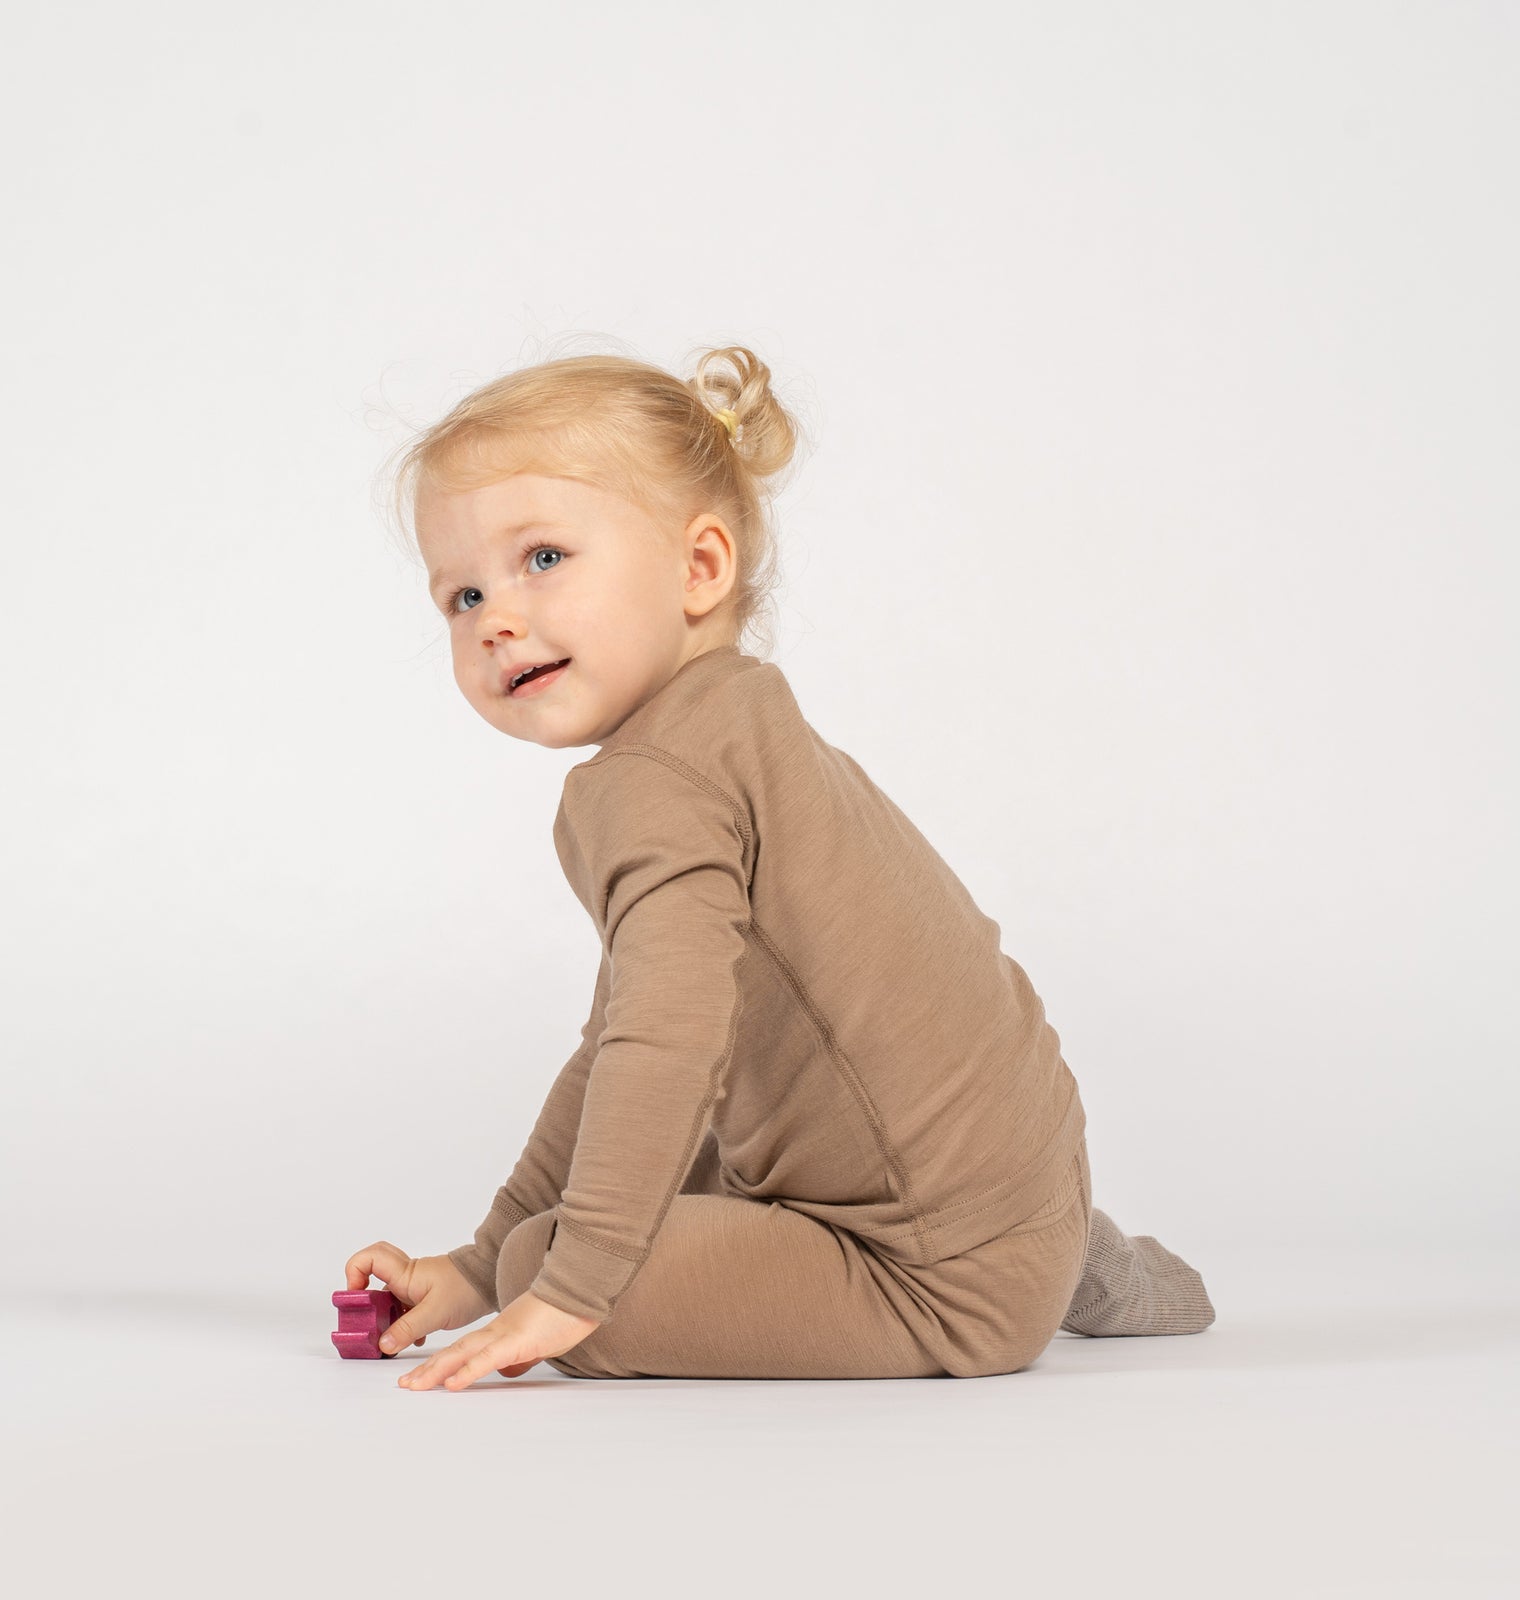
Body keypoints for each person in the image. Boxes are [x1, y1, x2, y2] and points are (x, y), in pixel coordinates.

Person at [343, 344, 1215, 1390]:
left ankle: (1013, 1288)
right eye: (461, 596)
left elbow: (663, 1045)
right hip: (1029, 1179)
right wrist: (479, 1265)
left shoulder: (652, 782)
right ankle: (1082, 1264)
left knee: (572, 1245)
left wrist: (558, 1284)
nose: (496, 619)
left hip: (924, 1274)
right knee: (674, 1137)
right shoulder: (740, 720)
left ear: (699, 568)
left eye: (542, 558)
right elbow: (622, 1040)